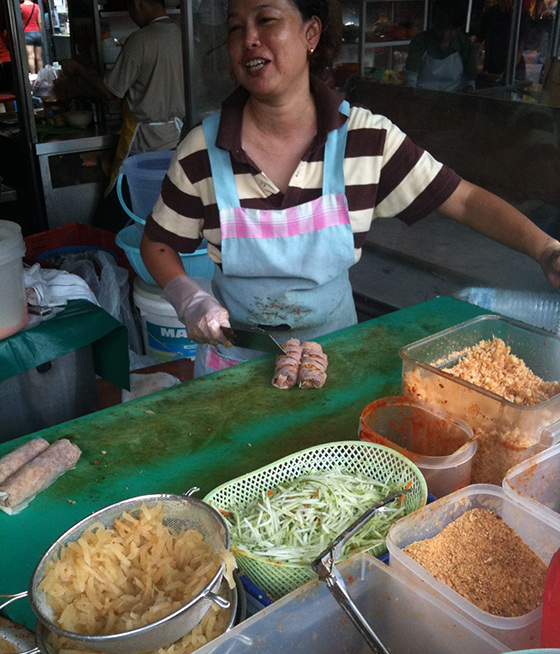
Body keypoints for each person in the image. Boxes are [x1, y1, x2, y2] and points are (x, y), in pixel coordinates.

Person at [140, 0, 560, 379]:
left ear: (311, 34)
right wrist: (188, 299)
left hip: (336, 356)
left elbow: (464, 200)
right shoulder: (202, 150)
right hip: (233, 361)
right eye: (235, 27)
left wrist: (544, 249)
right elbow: (157, 243)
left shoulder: (365, 139)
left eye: (266, 19)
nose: (249, 39)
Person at [59, 0, 185, 222]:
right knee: (159, 203)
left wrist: (78, 70)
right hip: (177, 136)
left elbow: (111, 91)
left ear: (137, 3)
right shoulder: (181, 35)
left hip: (145, 142)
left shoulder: (141, 40)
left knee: (118, 208)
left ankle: (107, 247)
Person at [405, 3, 477, 92]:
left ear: (458, 30)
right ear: (435, 26)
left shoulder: (465, 45)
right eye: (442, 29)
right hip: (422, 97)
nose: (445, 34)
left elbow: (470, 79)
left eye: (451, 31)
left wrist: (468, 90)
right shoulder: (421, 41)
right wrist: (412, 92)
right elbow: (411, 74)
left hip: (454, 99)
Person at [19, 0, 43, 75]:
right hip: (37, 32)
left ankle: (33, 75)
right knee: (39, 58)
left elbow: (20, 20)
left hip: (27, 33)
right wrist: (40, 33)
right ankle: (41, 75)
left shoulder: (21, 7)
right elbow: (39, 22)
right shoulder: (37, 6)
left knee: (30, 57)